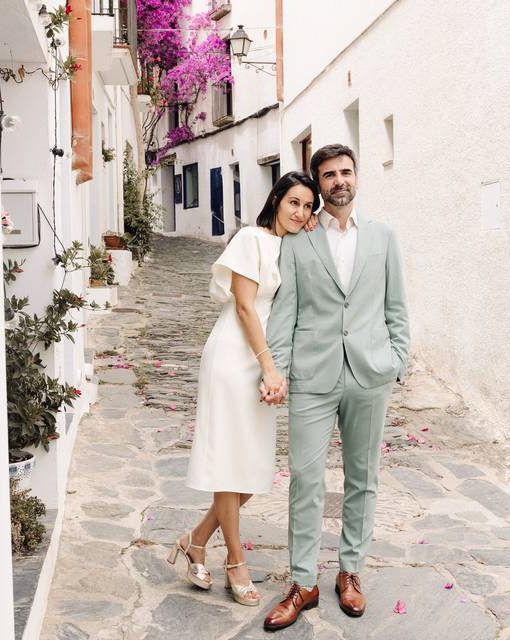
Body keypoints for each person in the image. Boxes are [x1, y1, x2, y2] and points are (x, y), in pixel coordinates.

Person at [261, 144, 410, 631]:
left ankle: (350, 572)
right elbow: (285, 315)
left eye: (346, 172)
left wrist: (396, 361)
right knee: (305, 479)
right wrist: (276, 370)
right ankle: (303, 582)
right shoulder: (298, 243)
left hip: (369, 374)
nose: (339, 181)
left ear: (357, 178)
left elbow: (396, 307)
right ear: (318, 184)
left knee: (362, 480)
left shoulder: (383, 237)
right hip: (313, 376)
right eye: (329, 175)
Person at [168, 172, 320, 607]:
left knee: (251, 466)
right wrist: (269, 367)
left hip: (265, 360)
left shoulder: (291, 246)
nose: (300, 212)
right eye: (293, 202)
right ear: (275, 199)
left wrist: (274, 366)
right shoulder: (250, 239)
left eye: (308, 206)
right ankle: (235, 561)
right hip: (236, 356)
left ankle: (195, 540)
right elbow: (243, 306)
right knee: (231, 462)